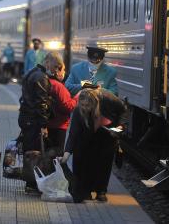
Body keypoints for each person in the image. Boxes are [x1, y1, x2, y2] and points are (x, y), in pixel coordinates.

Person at [59, 88, 127, 203]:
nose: (84, 108)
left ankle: (101, 191)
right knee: (82, 157)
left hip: (107, 133)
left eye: (87, 105)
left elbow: (123, 110)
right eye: (82, 105)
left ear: (94, 103)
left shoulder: (108, 99)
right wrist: (66, 155)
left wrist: (120, 126)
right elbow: (73, 134)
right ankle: (85, 190)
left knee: (104, 161)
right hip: (88, 132)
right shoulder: (78, 111)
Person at [18, 57, 52, 194]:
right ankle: (33, 183)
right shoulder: (41, 77)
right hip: (33, 119)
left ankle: (30, 182)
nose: (55, 71)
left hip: (26, 117)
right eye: (55, 68)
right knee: (34, 152)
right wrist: (44, 124)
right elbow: (41, 102)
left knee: (29, 150)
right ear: (49, 63)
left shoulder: (32, 71)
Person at [45, 52, 77, 152]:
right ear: (57, 69)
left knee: (46, 153)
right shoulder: (57, 86)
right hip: (57, 126)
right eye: (63, 70)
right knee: (56, 156)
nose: (64, 73)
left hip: (46, 124)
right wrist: (77, 98)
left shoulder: (42, 80)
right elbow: (67, 106)